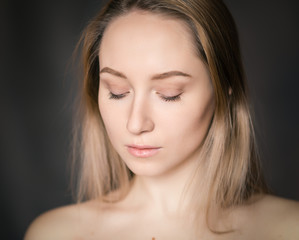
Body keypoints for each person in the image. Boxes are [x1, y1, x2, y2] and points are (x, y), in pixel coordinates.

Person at [24, 0, 299, 239]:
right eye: (117, 92)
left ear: (223, 92)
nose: (135, 123)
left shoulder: (289, 229)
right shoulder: (54, 233)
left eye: (169, 94)